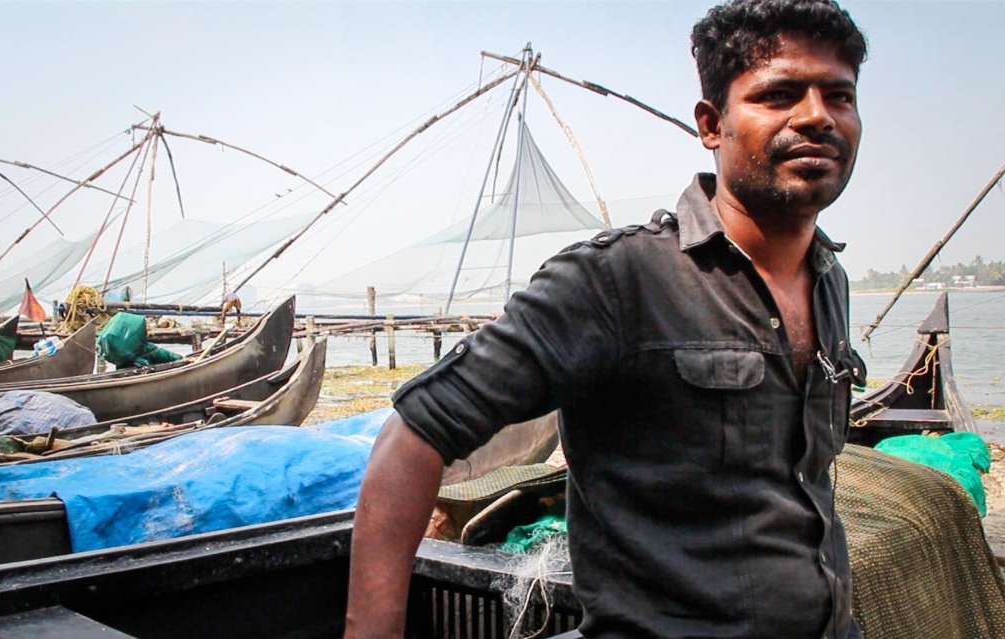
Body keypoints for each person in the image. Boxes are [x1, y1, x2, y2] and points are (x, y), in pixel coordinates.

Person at [344, 0, 868, 637]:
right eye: (779, 94)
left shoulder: (828, 278)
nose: (816, 117)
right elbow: (415, 434)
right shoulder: (616, 281)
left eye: (838, 96)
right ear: (711, 123)